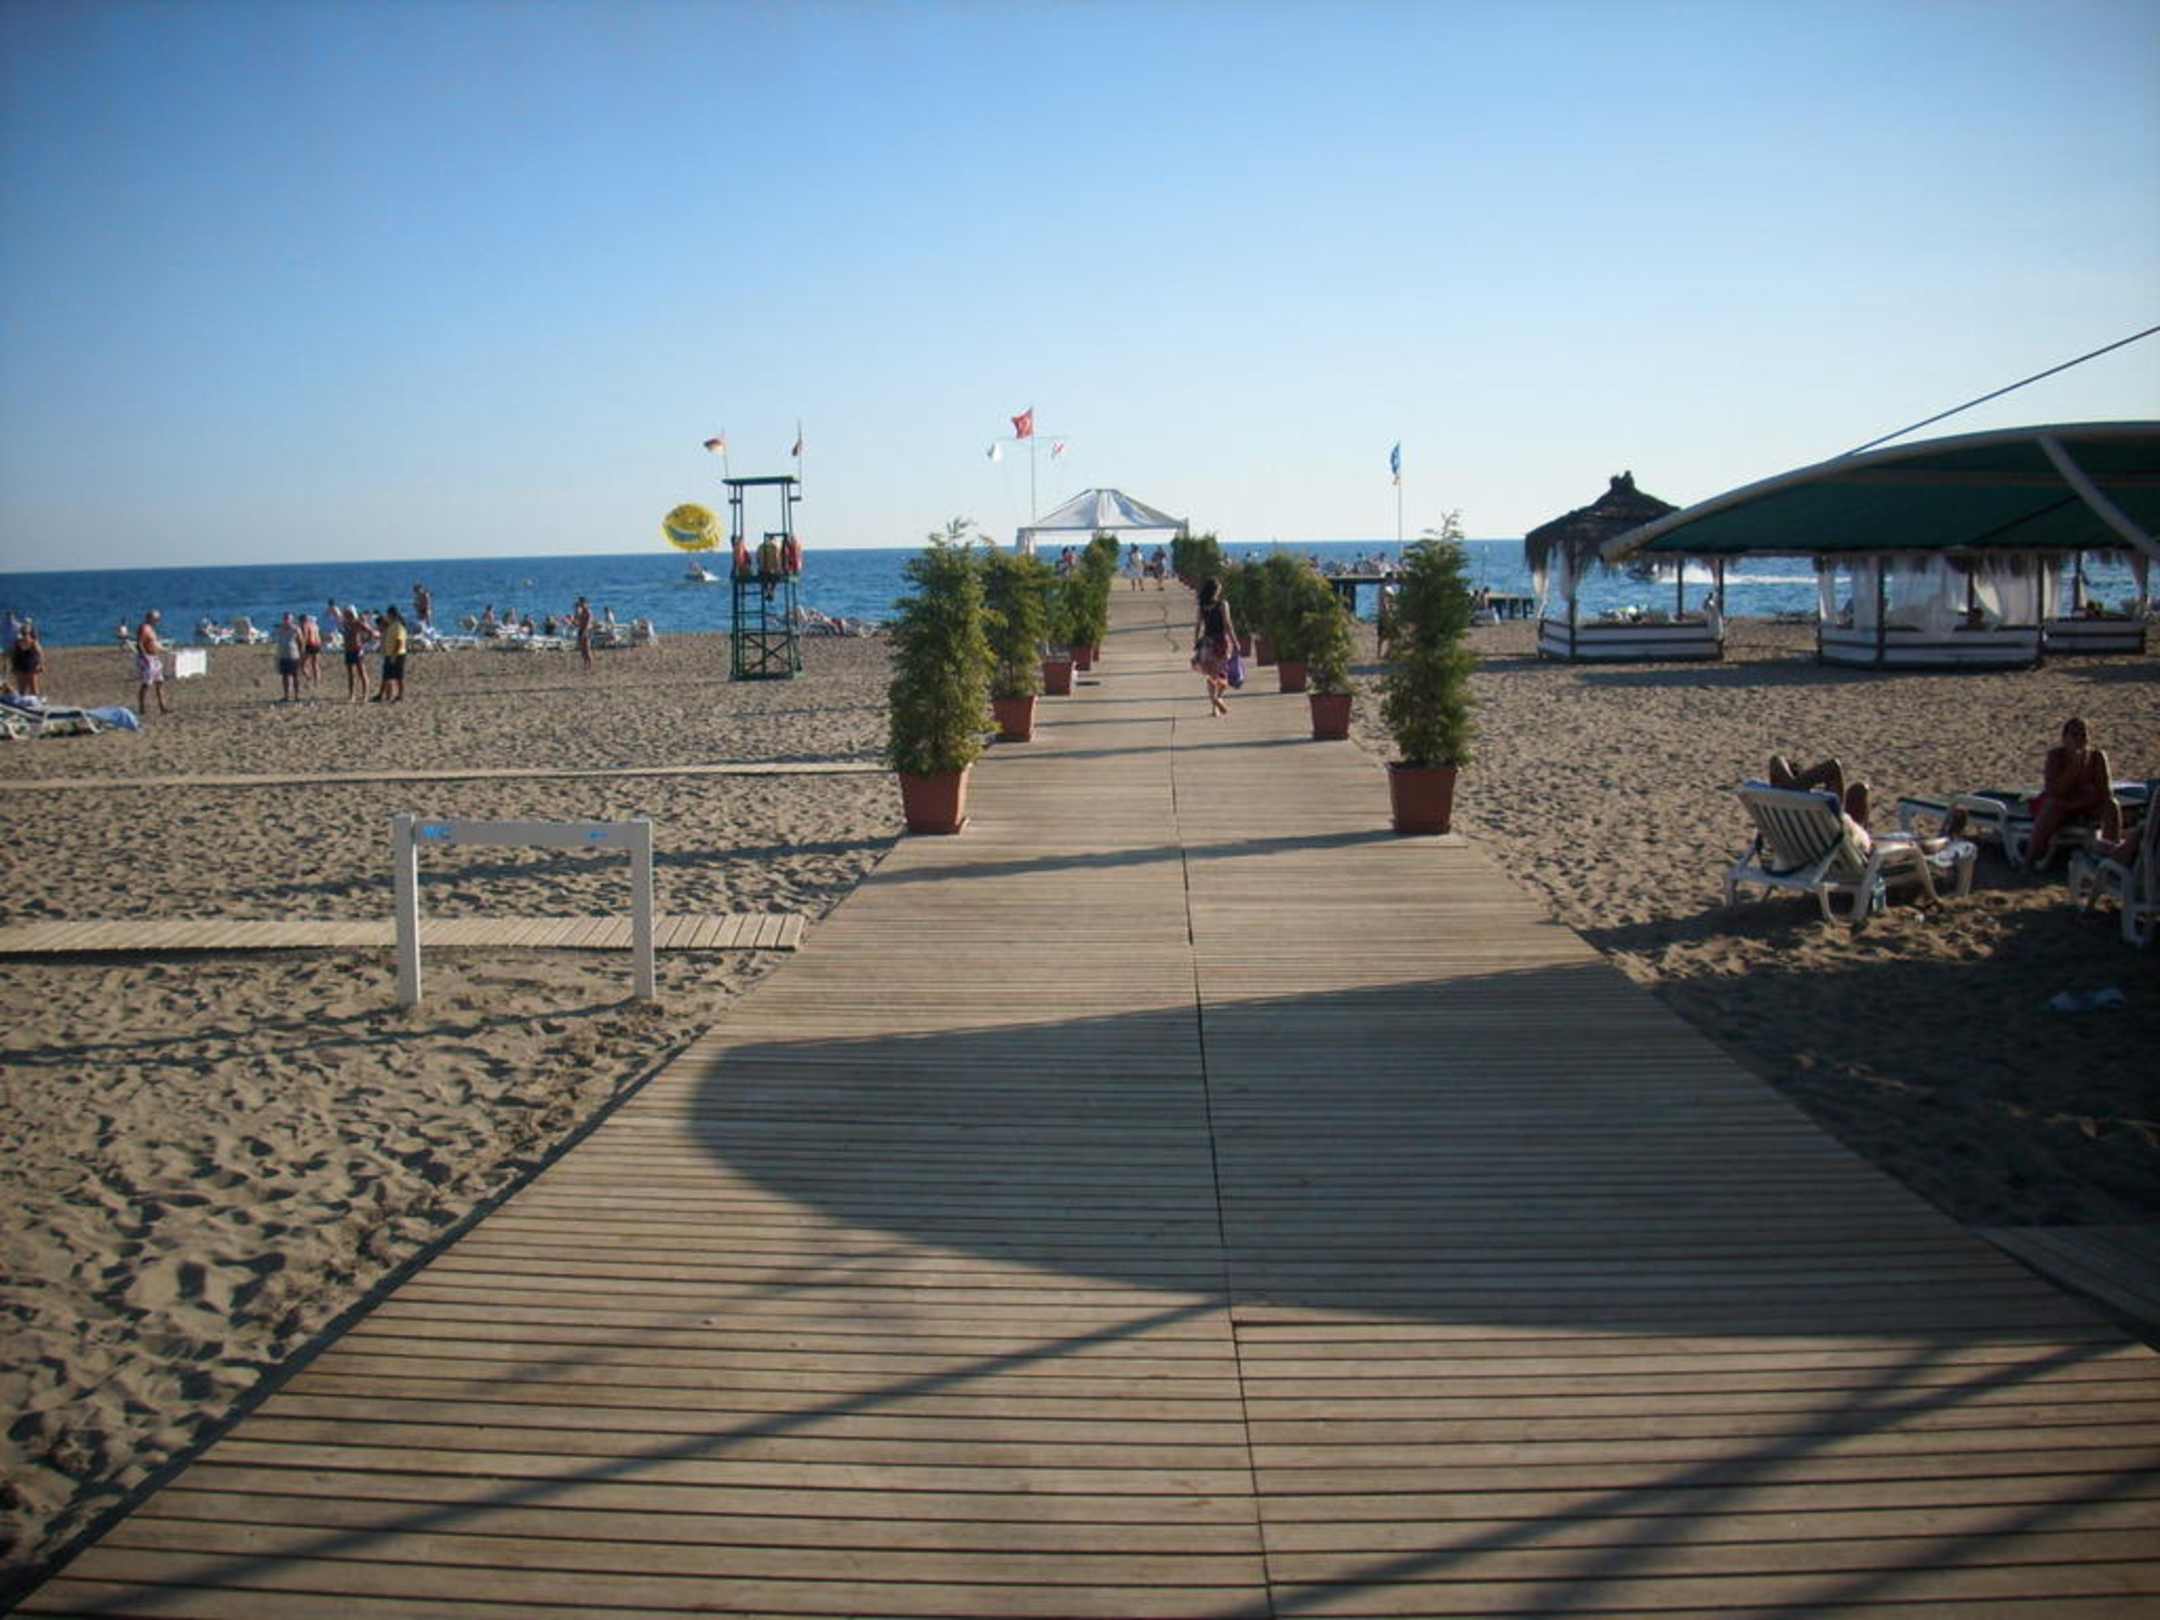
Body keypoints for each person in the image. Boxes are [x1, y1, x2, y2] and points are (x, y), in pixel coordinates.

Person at [1768, 754, 1970, 847]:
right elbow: (1833, 767)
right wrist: (1794, 786)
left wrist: (1789, 787)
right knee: (1912, 845)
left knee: (1859, 790)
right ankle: (1946, 840)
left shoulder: (1784, 814)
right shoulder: (1817, 808)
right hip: (1843, 850)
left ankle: (1945, 838)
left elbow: (1775, 762)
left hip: (1823, 847)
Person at [2027, 716, 2122, 867]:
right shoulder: (2056, 757)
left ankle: (2112, 856)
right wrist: (2074, 768)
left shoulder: (2097, 757)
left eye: (2083, 735)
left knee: (2112, 805)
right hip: (2063, 804)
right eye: (2074, 735)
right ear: (2064, 738)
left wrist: (2084, 796)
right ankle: (2030, 859)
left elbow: (2105, 792)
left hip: (2086, 804)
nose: (2079, 739)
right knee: (2051, 807)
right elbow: (2053, 791)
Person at [1191, 576, 1237, 718]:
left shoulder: (1202, 607)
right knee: (1223, 673)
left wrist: (1196, 641)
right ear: (1215, 590)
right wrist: (1235, 641)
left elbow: (1198, 625)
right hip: (1221, 642)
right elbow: (1228, 625)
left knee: (1212, 675)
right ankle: (1217, 698)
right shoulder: (1223, 604)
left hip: (1207, 643)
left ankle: (1214, 707)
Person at [136, 610, 172, 716]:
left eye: (158, 619)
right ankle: (142, 708)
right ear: (150, 618)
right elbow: (139, 643)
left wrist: (164, 649)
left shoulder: (151, 629)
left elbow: (154, 643)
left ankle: (162, 707)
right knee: (146, 683)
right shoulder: (144, 628)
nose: (158, 621)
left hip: (154, 658)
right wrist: (145, 656)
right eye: (156, 619)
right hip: (147, 658)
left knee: (160, 682)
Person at [340, 604, 373, 702]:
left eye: (348, 613)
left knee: (361, 672)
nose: (346, 615)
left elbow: (370, 632)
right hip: (348, 650)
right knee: (350, 674)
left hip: (357, 649)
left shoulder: (357, 623)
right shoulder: (345, 623)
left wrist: (364, 642)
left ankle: (365, 695)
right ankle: (352, 695)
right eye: (346, 613)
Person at [377, 605, 408, 703]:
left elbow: (399, 642)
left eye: (388, 615)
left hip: (398, 654)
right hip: (389, 654)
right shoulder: (392, 625)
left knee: (399, 676)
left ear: (392, 615)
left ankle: (400, 695)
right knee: (387, 675)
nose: (387, 616)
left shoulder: (399, 626)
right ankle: (384, 695)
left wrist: (394, 655)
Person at [273, 612, 305, 701]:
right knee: (285, 676)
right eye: (285, 618)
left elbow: (301, 642)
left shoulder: (295, 629)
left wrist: (301, 653)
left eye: (288, 619)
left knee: (295, 675)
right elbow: (276, 638)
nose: (286, 620)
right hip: (283, 655)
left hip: (293, 655)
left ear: (292, 620)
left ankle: (297, 696)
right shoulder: (280, 629)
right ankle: (286, 695)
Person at [8, 619, 43, 698]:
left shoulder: (32, 642)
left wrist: (40, 664)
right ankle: (27, 701)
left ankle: (33, 700)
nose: (24, 635)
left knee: (31, 687)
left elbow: (39, 654)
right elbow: (39, 654)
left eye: (25, 633)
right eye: (23, 633)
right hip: (24, 666)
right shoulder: (21, 642)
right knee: (24, 688)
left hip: (29, 666)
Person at [299, 611, 324, 686]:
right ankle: (317, 682)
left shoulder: (305, 625)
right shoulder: (315, 625)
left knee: (302, 664)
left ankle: (309, 677)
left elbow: (305, 637)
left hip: (310, 645)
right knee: (315, 664)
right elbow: (319, 636)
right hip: (317, 645)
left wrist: (302, 648)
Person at [572, 595, 595, 670]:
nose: (581, 605)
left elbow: (588, 623)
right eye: (580, 603)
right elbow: (577, 622)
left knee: (587, 649)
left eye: (582, 603)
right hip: (581, 630)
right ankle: (585, 664)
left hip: (587, 631)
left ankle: (590, 665)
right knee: (582, 650)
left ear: (585, 603)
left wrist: (584, 631)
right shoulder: (581, 612)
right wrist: (575, 619)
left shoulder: (588, 612)